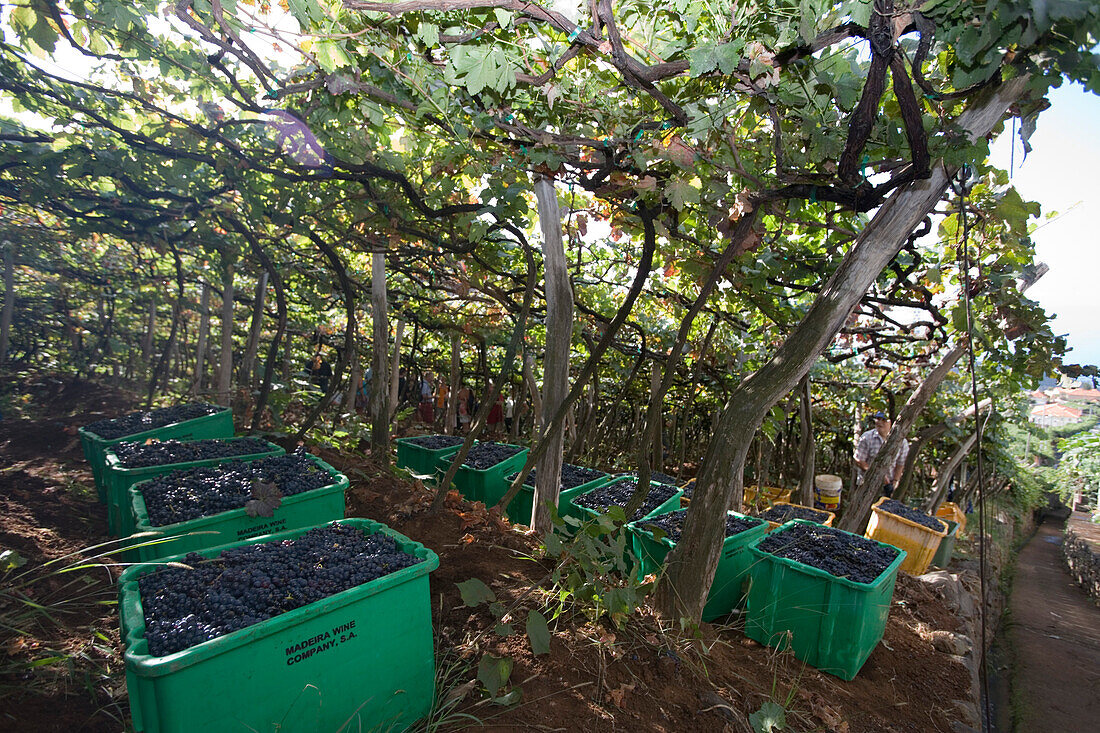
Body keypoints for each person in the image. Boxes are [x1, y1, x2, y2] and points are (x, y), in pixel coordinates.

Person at [854, 410, 909, 497]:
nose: (880, 422)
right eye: (878, 419)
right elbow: (859, 460)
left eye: (884, 420)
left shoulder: (902, 442)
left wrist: (895, 481)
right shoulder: (867, 438)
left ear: (892, 423)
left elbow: (900, 464)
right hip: (867, 484)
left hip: (888, 487)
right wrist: (879, 475)